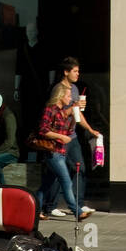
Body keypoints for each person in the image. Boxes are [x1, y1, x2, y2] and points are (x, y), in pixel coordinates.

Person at [48, 58, 100, 218]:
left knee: (80, 168)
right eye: (75, 71)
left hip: (73, 137)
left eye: (78, 71)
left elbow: (78, 114)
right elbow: (53, 113)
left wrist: (90, 129)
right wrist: (71, 109)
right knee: (57, 173)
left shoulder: (76, 89)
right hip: (60, 138)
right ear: (66, 72)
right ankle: (50, 206)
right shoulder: (58, 89)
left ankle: (78, 204)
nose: (78, 74)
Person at [34, 83, 88, 222]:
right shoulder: (50, 109)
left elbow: (69, 131)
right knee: (66, 181)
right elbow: (43, 130)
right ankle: (77, 211)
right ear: (60, 95)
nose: (70, 99)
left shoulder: (62, 112)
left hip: (60, 152)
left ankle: (35, 210)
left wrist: (74, 113)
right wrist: (60, 137)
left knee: (46, 185)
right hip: (53, 153)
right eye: (68, 96)